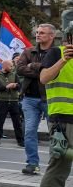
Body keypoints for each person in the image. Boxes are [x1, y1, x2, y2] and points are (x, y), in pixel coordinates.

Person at [30, 25, 73, 187]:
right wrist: (65, 59)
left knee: (59, 168)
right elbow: (44, 77)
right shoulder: (57, 53)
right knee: (59, 168)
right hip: (64, 120)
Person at [17, 23, 63, 175]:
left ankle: (54, 165)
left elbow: (55, 74)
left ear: (52, 36)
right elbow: (20, 69)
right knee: (29, 131)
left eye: (42, 32)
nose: (38, 35)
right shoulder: (29, 51)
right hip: (29, 98)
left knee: (55, 133)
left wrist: (34, 66)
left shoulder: (57, 52)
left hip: (50, 99)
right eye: (37, 32)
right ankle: (32, 163)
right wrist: (43, 70)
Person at [0, 58, 25, 148]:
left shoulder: (14, 74)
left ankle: (20, 141)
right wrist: (6, 87)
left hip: (14, 101)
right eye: (10, 66)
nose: (12, 67)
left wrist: (15, 85)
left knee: (17, 122)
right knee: (0, 121)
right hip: (2, 101)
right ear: (5, 66)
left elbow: (19, 85)